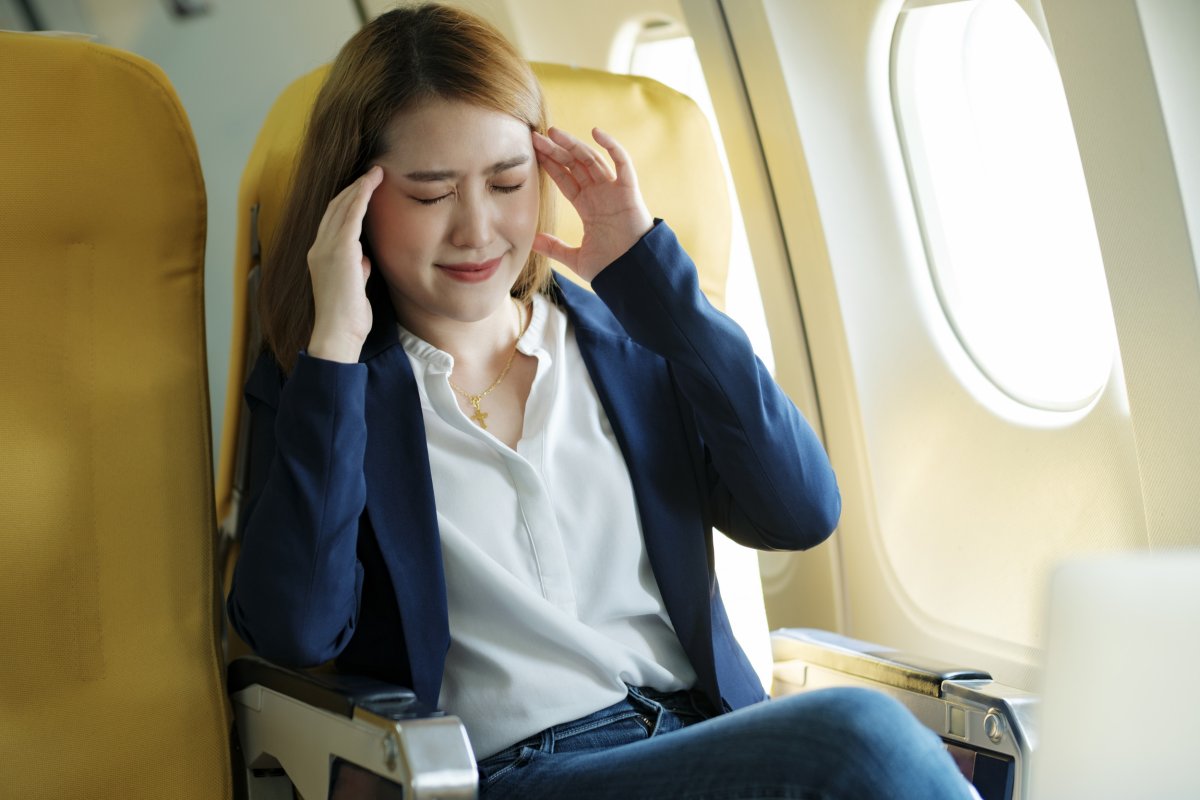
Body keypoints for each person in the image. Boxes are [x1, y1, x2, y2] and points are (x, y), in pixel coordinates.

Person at [226, 4, 974, 798]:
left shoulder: (629, 339)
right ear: (356, 202)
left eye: (508, 182)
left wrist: (660, 289)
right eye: (431, 193)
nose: (478, 229)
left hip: (702, 740)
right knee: (859, 738)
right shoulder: (323, 383)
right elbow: (295, 629)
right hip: (516, 772)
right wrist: (334, 345)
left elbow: (801, 511)